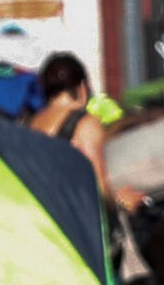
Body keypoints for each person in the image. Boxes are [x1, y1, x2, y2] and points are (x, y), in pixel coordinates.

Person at [24, 52, 118, 209]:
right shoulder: (84, 124)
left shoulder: (27, 124)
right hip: (72, 215)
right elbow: (98, 187)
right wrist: (122, 205)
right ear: (82, 88)